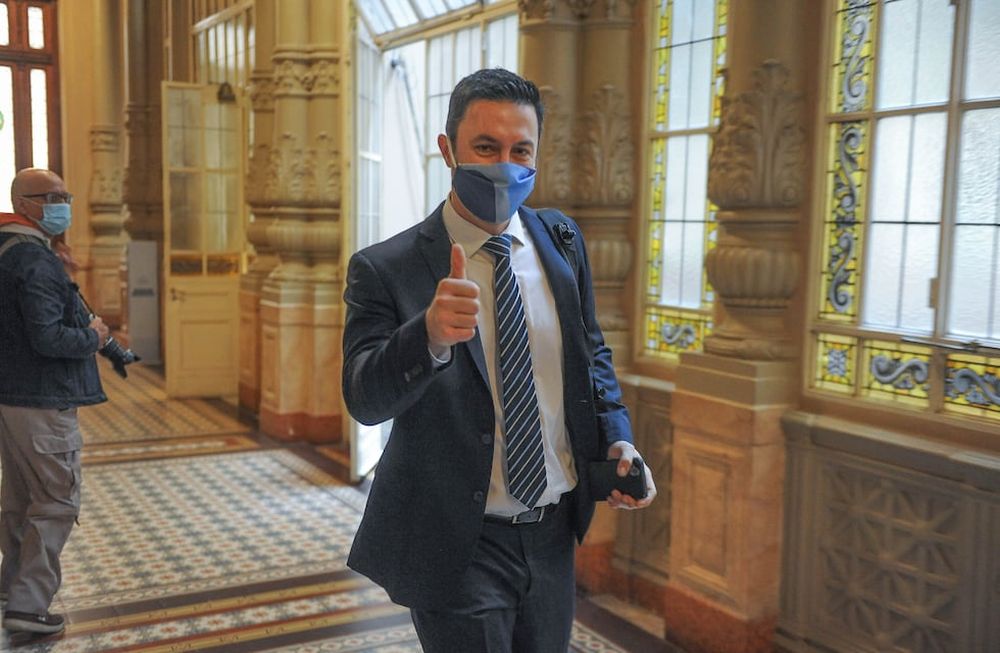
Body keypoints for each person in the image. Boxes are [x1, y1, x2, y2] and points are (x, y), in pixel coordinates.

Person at [342, 68, 656, 652]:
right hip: (457, 541)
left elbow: (592, 353)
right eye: (485, 147)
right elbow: (364, 398)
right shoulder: (389, 266)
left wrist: (617, 438)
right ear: (448, 150)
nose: (504, 165)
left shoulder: (561, 240)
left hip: (554, 534)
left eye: (521, 150)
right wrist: (429, 336)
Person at [0, 168, 108, 635]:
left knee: (21, 499)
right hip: (42, 398)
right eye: (52, 196)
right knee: (56, 501)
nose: (64, 203)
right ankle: (28, 606)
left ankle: (11, 587)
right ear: (25, 204)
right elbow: (48, 338)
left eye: (67, 193)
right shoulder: (33, 259)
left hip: (12, 394)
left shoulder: (10, 249)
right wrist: (93, 334)